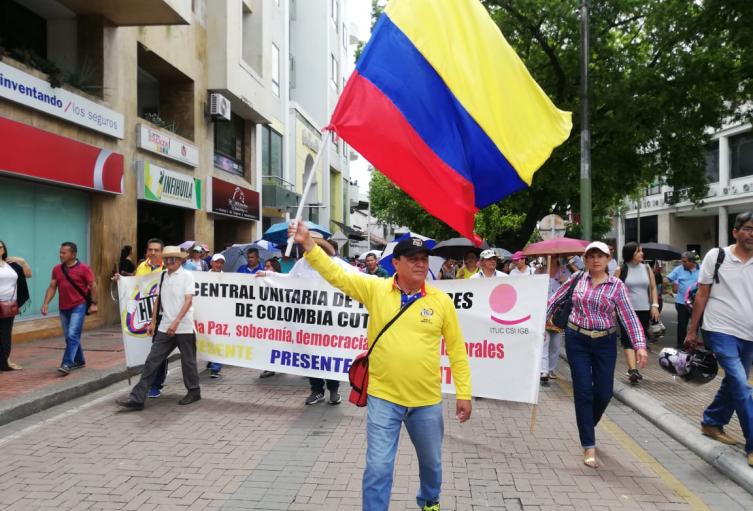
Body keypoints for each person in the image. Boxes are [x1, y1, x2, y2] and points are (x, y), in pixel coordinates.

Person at [288, 221, 472, 511]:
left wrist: (464, 393)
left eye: (423, 259)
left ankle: (429, 501)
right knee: (378, 468)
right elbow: (337, 274)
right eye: (413, 259)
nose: (420, 264)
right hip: (383, 397)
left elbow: (457, 350)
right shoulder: (375, 289)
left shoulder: (441, 301)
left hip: (426, 401)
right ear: (396, 263)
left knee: (432, 465)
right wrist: (309, 245)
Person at [547, 241, 647, 468]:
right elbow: (555, 300)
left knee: (604, 393)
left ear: (608, 259)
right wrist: (540, 323)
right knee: (583, 391)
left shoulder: (616, 286)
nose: (595, 260)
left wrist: (639, 345)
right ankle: (588, 444)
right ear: (585, 259)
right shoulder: (576, 279)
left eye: (600, 256)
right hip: (577, 340)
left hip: (605, 342)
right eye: (591, 256)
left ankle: (587, 425)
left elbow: (629, 317)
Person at [685, 211, 753, 468]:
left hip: (749, 334)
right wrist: (692, 330)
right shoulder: (717, 256)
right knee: (741, 384)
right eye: (748, 228)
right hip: (720, 329)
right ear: (735, 232)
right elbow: (702, 294)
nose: (752, 234)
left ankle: (712, 422)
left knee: (734, 383)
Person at [116, 246, 201, 410]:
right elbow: (157, 300)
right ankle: (137, 398)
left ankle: (194, 391)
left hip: (184, 326)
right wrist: (153, 322)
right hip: (164, 326)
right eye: (166, 258)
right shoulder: (163, 275)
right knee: (152, 360)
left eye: (173, 258)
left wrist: (176, 322)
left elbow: (188, 301)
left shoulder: (187, 276)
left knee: (188, 362)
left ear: (180, 260)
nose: (169, 261)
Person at [41, 242, 98, 374]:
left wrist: (94, 303)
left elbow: (93, 286)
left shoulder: (84, 268)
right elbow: (52, 287)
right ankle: (80, 360)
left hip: (79, 305)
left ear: (73, 254)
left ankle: (67, 363)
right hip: (63, 307)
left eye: (64, 253)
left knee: (72, 334)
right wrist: (46, 303)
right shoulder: (57, 269)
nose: (60, 255)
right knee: (69, 336)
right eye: (60, 252)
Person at [614, 242, 659, 384]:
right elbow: (613, 289)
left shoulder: (646, 268)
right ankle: (632, 370)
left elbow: (653, 288)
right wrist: (613, 309)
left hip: (644, 309)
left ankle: (633, 368)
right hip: (626, 310)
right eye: (639, 251)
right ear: (631, 253)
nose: (642, 253)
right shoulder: (621, 269)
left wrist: (655, 305)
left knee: (639, 339)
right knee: (627, 339)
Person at [0, 240, 31, 371]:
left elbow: (28, 274)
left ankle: (5, 362)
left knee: (5, 335)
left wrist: (22, 261)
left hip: (9, 305)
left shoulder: (11, 265)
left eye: (0, 247)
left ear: (4, 249)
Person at [540, 257, 568, 383]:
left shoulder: (565, 272)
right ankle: (544, 370)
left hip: (559, 313)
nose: (552, 257)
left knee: (556, 345)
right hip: (543, 311)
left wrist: (564, 282)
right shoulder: (540, 271)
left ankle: (551, 369)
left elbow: (572, 290)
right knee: (544, 341)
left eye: (555, 255)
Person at [666, 251, 700, 349]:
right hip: (682, 302)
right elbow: (667, 279)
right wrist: (668, 288)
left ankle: (692, 344)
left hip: (697, 303)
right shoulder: (679, 269)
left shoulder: (702, 269)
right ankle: (680, 345)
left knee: (695, 324)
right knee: (682, 324)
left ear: (692, 261)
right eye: (682, 261)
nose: (682, 263)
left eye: (685, 261)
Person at [206, 253, 226, 378]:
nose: (219, 265)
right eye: (217, 262)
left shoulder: (226, 278)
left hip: (219, 313)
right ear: (211, 263)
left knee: (219, 339)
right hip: (205, 313)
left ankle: (215, 368)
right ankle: (211, 359)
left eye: (221, 263)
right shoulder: (202, 277)